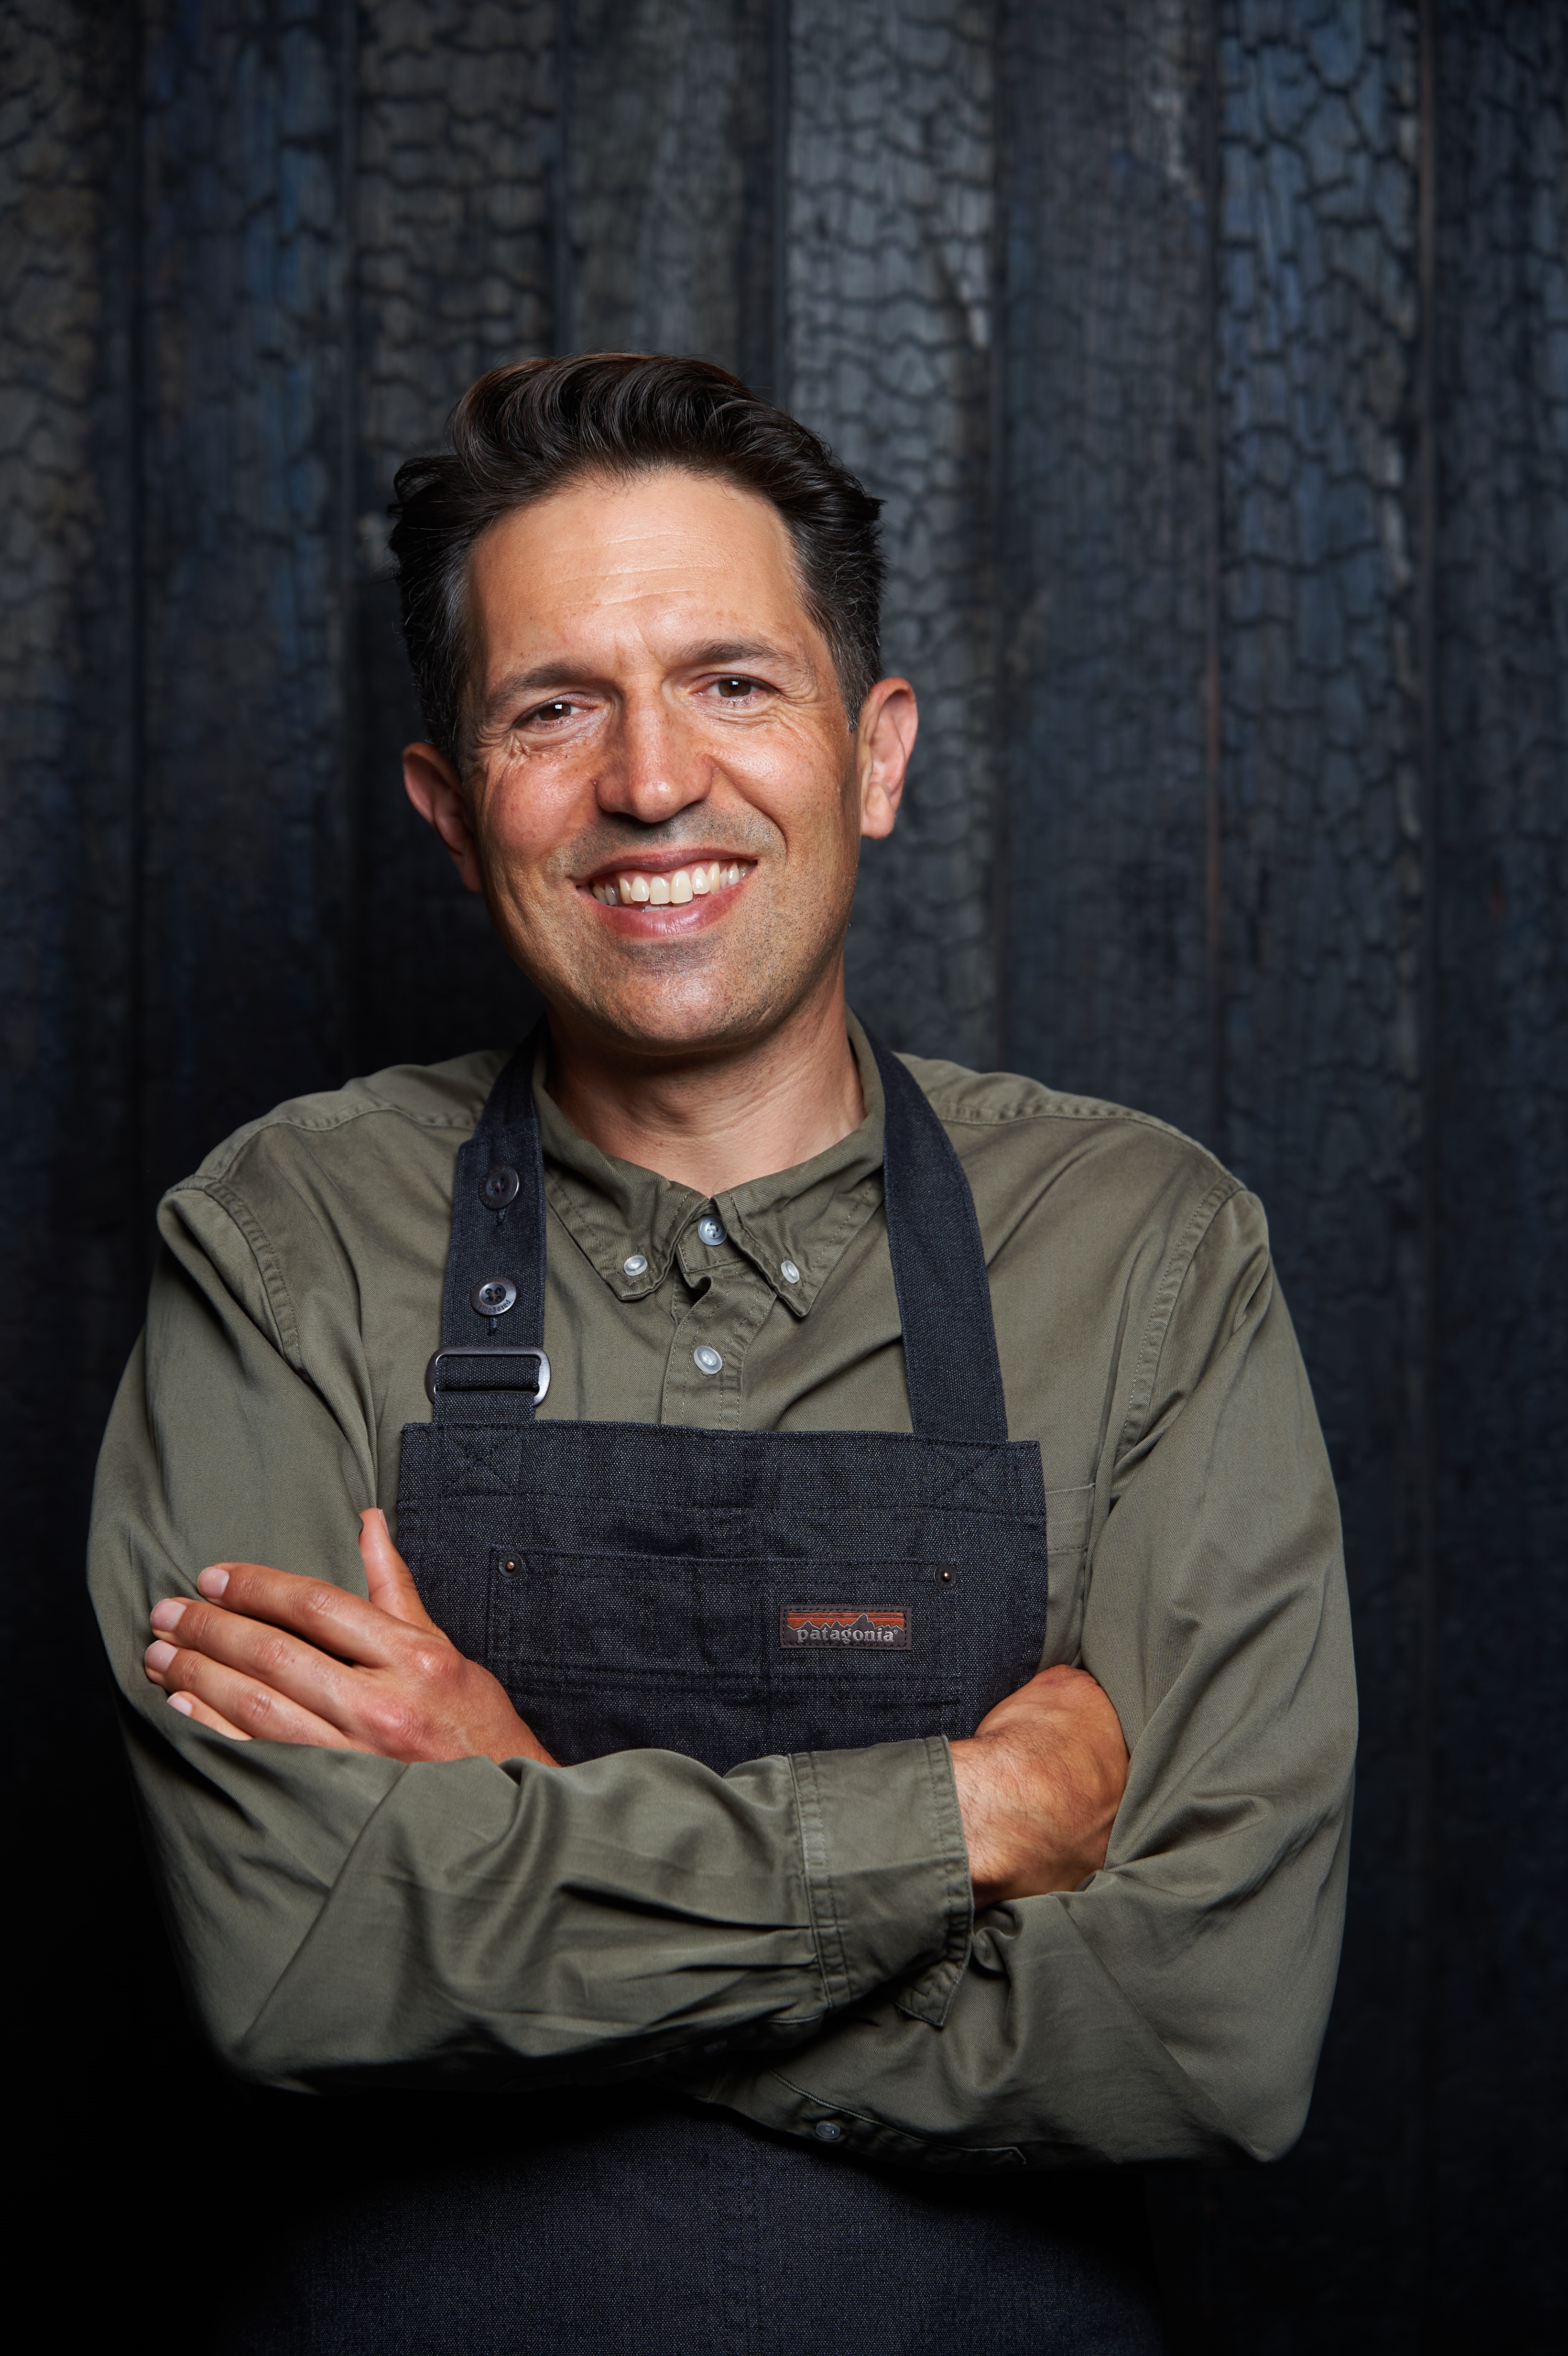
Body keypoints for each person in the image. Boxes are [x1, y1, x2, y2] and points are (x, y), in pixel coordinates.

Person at [89, 353, 1356, 2354]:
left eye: (731, 682)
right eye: (551, 707)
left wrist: (515, 1823)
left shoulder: (1143, 1253)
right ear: (448, 803)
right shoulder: (289, 1242)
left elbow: (1207, 2039)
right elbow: (308, 1966)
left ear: (873, 750)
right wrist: (951, 1816)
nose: (651, 780)